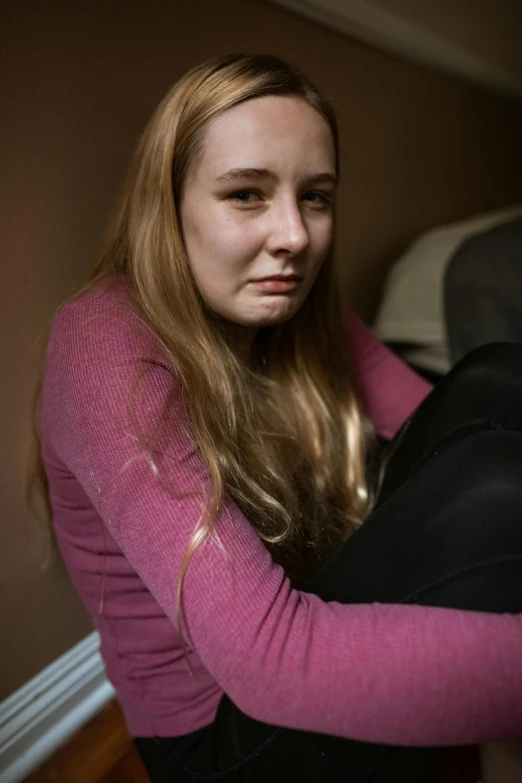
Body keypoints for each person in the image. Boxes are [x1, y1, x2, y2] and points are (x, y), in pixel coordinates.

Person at [31, 53, 522, 783]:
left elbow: (451, 420)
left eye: (315, 197)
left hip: (293, 631)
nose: (294, 235)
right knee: (489, 488)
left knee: (495, 373)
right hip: (221, 729)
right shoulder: (104, 345)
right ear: (167, 207)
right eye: (247, 194)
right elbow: (269, 660)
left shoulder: (291, 300)